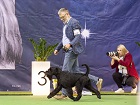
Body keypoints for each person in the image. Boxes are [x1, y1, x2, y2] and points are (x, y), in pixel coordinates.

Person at [53, 8, 103, 99]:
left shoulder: (74, 22)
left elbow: (78, 37)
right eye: (60, 18)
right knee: (75, 72)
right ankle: (97, 80)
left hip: (72, 50)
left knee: (64, 73)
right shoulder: (66, 25)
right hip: (68, 49)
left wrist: (70, 44)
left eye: (62, 17)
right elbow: (64, 39)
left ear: (67, 14)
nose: (61, 19)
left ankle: (64, 94)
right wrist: (58, 48)